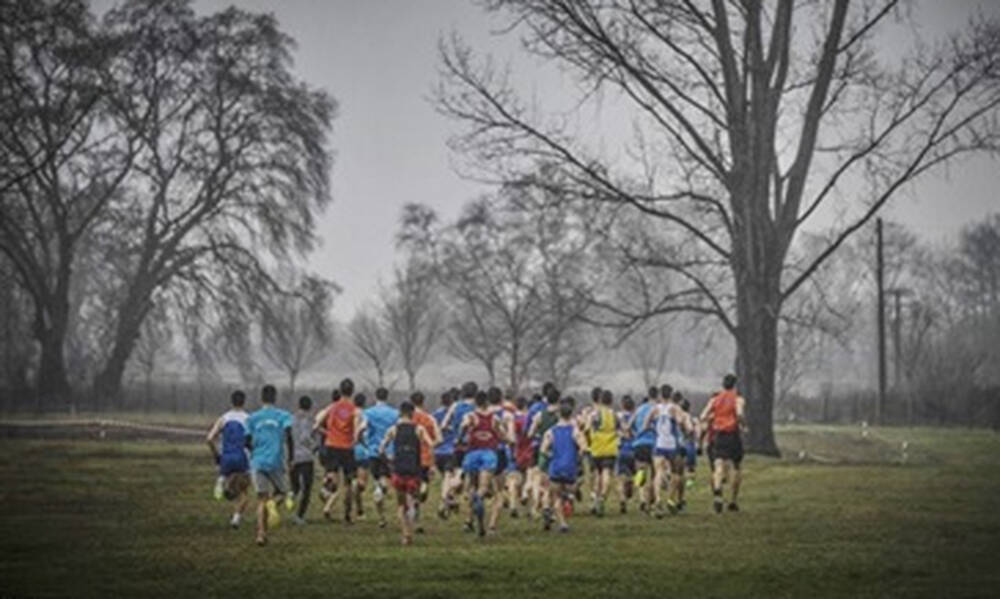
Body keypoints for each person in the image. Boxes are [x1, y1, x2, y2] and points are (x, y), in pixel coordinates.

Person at [379, 401, 437, 545]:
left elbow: (381, 448)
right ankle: (410, 531)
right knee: (412, 502)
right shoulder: (419, 429)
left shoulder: (393, 429)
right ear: (412, 414)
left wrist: (388, 460)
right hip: (414, 470)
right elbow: (430, 446)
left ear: (400, 412)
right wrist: (431, 465)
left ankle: (405, 534)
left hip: (398, 469)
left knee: (401, 504)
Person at [245, 384, 293, 546]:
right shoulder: (283, 416)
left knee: (260, 499)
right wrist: (290, 458)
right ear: (275, 398)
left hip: (257, 461)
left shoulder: (252, 418)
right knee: (282, 492)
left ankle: (261, 534)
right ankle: (273, 503)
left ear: (261, 398)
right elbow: (289, 437)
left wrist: (254, 451)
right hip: (275, 461)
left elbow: (246, 441)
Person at [313, 379, 363, 523]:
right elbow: (356, 430)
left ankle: (327, 486)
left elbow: (316, 426)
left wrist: (328, 433)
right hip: (346, 447)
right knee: (349, 482)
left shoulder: (331, 407)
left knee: (333, 476)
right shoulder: (355, 410)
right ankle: (347, 515)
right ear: (352, 391)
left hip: (331, 445)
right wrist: (355, 439)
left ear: (340, 391)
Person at [458, 389, 506, 537]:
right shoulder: (494, 418)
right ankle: (480, 498)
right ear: (487, 402)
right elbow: (502, 435)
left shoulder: (470, 416)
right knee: (484, 487)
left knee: (471, 486)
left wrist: (461, 437)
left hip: (472, 453)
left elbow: (463, 426)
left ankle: (469, 520)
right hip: (488, 454)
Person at [700, 374, 747, 514]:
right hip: (732, 435)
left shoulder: (715, 399)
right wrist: (743, 425)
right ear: (734, 385)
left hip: (718, 435)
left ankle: (718, 493)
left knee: (718, 464)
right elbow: (739, 414)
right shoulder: (738, 399)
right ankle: (733, 501)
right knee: (735, 467)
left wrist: (714, 419)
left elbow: (703, 416)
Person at [539, 398, 588, 533]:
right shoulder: (575, 431)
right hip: (570, 467)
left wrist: (551, 456)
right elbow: (584, 447)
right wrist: (577, 456)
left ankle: (559, 521)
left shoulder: (550, 432)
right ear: (571, 414)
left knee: (555, 495)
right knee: (570, 490)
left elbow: (543, 450)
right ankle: (567, 502)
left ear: (559, 414)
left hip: (555, 467)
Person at [206, 390, 250, 528]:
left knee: (230, 482)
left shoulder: (223, 418)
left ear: (231, 402)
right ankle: (236, 518)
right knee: (244, 492)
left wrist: (216, 456)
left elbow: (209, 439)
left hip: (226, 457)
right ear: (244, 402)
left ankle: (221, 479)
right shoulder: (248, 419)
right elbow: (251, 441)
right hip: (241, 458)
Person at [643, 385, 689, 518]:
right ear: (671, 394)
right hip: (672, 445)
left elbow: (645, 425)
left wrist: (654, 428)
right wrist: (682, 428)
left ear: (660, 395)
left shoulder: (655, 409)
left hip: (659, 444)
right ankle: (670, 499)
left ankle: (657, 500)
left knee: (659, 472)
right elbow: (681, 421)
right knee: (676, 473)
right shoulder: (675, 408)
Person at [363, 386, 399, 528]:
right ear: (387, 397)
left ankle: (382, 517)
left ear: (375, 397)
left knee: (378, 479)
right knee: (387, 480)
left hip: (373, 452)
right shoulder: (394, 413)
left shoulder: (368, 412)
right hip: (389, 452)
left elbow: (362, 428)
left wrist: (362, 442)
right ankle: (381, 489)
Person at [441, 382, 478, 514]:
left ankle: (448, 495)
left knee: (456, 470)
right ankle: (452, 492)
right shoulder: (476, 407)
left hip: (457, 445)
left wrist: (454, 429)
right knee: (468, 476)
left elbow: (444, 425)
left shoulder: (455, 406)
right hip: (472, 445)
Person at [527, 384, 561, 518]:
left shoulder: (540, 415)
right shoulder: (561, 414)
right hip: (558, 452)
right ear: (558, 399)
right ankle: (549, 509)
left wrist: (538, 435)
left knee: (543, 482)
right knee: (555, 484)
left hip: (543, 451)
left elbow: (530, 433)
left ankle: (541, 507)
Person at [409, 391, 440, 533]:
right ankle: (419, 498)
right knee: (423, 486)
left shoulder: (406, 419)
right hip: (425, 458)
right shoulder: (429, 419)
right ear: (423, 402)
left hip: (409, 457)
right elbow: (439, 439)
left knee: (411, 489)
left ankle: (414, 518)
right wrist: (429, 442)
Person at [486, 386, 515, 532]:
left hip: (481, 452)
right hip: (499, 453)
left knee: (477, 488)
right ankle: (492, 524)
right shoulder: (507, 415)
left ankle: (469, 519)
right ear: (501, 398)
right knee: (499, 492)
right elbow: (511, 438)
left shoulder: (479, 414)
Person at [588, 389, 620, 517]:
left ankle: (595, 498)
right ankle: (602, 498)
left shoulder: (594, 414)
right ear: (611, 401)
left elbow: (587, 427)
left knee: (597, 475)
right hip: (610, 447)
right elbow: (621, 429)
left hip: (596, 447)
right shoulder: (614, 415)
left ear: (600, 400)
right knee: (607, 473)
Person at [628, 385, 659, 514]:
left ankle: (642, 499)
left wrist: (634, 435)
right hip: (654, 443)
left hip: (639, 444)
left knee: (641, 473)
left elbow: (629, 425)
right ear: (657, 396)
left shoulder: (639, 409)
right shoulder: (657, 409)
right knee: (654, 474)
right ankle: (650, 502)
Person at [289, 395, 316, 525]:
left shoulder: (292, 418)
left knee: (296, 486)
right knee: (307, 487)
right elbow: (305, 437)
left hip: (294, 456)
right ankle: (299, 516)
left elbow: (289, 437)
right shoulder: (307, 419)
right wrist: (314, 445)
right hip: (305, 456)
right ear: (310, 406)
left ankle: (291, 496)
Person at [432, 390, 458, 519]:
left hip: (438, 452)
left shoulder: (435, 415)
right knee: (451, 478)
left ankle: (450, 500)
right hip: (451, 450)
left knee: (446, 479)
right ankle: (444, 503)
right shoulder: (455, 414)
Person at [509, 396, 534, 518]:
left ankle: (513, 505)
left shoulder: (512, 419)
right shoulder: (529, 418)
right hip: (529, 450)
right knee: (528, 478)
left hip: (517, 451)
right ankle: (528, 506)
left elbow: (511, 436)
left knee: (514, 479)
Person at [616, 395, 637, 514]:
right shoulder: (636, 417)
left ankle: (622, 499)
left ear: (622, 405)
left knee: (620, 478)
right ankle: (629, 487)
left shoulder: (617, 417)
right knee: (633, 477)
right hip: (634, 449)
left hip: (622, 449)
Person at [351, 393, 370, 520]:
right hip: (361, 449)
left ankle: (359, 511)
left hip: (348, 449)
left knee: (353, 480)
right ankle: (359, 511)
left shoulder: (350, 413)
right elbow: (361, 431)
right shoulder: (365, 414)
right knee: (362, 483)